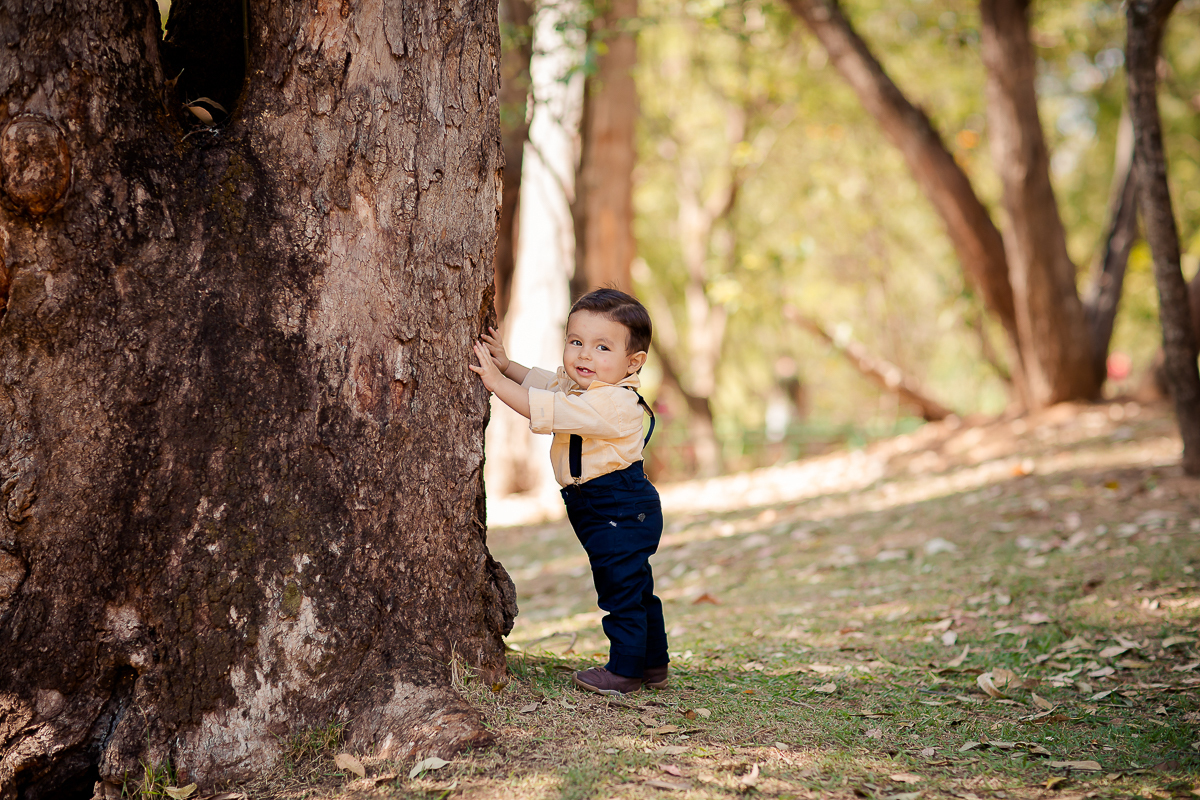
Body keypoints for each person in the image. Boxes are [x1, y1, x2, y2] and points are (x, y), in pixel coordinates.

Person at [469, 288, 669, 695]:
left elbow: (545, 409)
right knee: (635, 585)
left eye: (601, 347)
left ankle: (626, 670)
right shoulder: (583, 389)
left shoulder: (614, 403)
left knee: (621, 589)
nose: (584, 355)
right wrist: (507, 366)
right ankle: (653, 663)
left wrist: (493, 382)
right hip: (602, 504)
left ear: (633, 362)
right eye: (575, 342)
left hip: (618, 504)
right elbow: (545, 385)